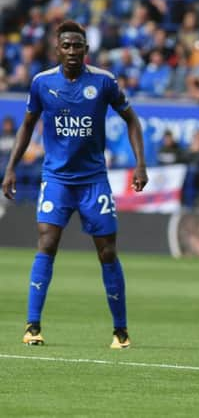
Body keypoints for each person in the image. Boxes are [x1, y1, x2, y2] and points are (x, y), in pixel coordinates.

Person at [1, 20, 148, 349]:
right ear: (57, 49)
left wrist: (140, 163)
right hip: (56, 179)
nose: (71, 51)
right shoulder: (42, 83)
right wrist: (11, 168)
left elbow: (132, 120)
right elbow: (27, 126)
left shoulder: (104, 82)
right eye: (65, 46)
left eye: (76, 46)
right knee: (47, 243)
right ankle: (32, 326)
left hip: (94, 181)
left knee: (107, 251)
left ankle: (120, 331)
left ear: (86, 50)